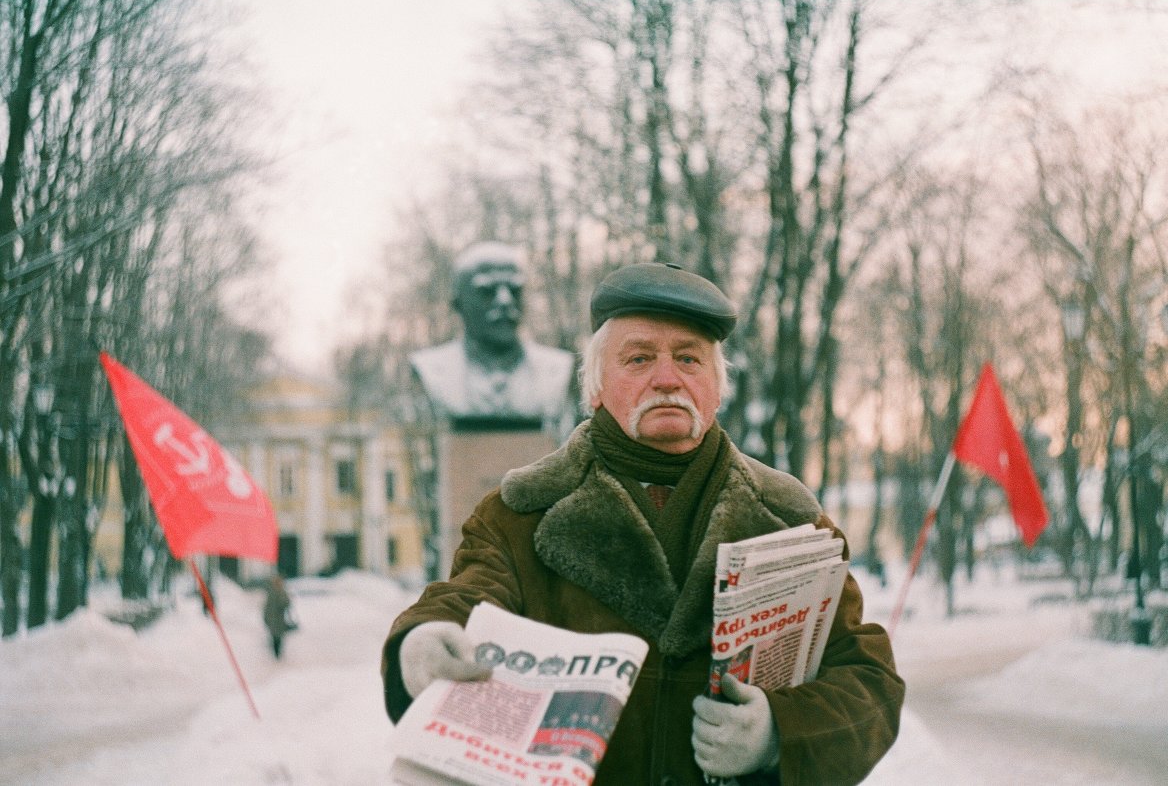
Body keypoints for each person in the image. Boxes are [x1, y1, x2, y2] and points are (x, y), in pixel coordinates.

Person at [381, 262, 904, 784]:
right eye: (639, 358)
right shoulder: (520, 512)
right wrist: (425, 638)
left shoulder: (791, 521)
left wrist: (779, 733)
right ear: (596, 388)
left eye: (689, 359)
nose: (668, 378)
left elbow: (868, 678)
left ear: (716, 389)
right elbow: (468, 598)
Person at [409, 241, 575, 423]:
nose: (505, 301)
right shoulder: (431, 369)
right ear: (458, 303)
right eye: (487, 291)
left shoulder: (557, 368)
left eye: (514, 290)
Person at [263, 573, 295, 660]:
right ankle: (277, 655)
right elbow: (285, 603)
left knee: (276, 636)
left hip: (276, 618)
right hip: (277, 618)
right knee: (277, 636)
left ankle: (276, 654)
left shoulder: (272, 592)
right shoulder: (279, 592)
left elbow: (266, 607)